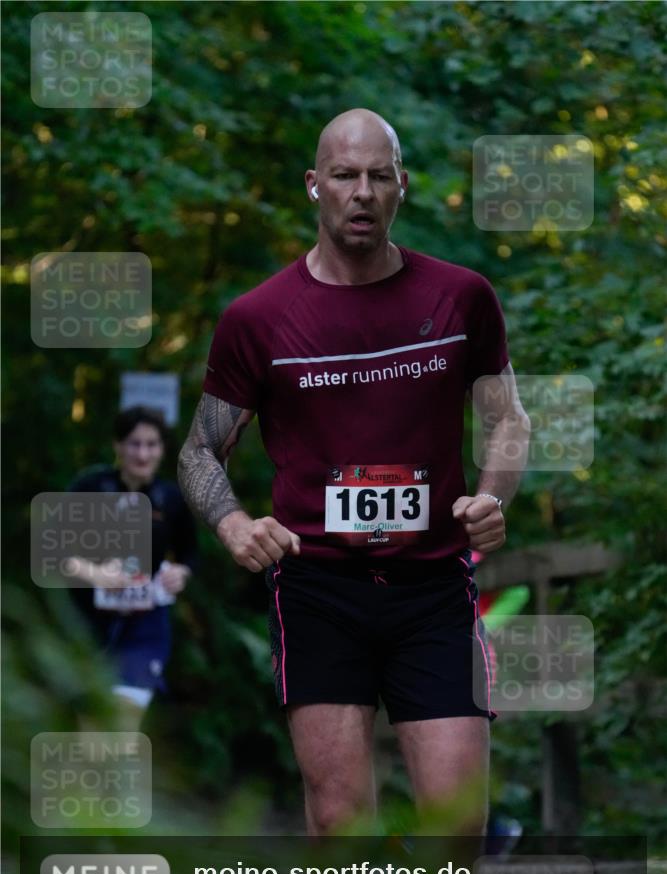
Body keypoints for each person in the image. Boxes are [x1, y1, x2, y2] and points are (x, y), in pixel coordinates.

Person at [178, 108, 530, 835]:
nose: (362, 192)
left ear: (402, 185)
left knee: (457, 823)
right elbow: (198, 450)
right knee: (340, 826)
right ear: (315, 184)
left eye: (378, 176)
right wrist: (233, 524)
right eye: (344, 176)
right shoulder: (258, 319)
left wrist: (492, 496)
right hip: (318, 590)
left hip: (433, 585)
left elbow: (507, 419)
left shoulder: (461, 297)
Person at [68, 406, 197, 729]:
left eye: (151, 444)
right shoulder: (91, 487)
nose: (142, 454)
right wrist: (96, 574)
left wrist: (180, 574)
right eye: (134, 444)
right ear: (118, 446)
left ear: (162, 449)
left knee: (123, 725)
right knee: (91, 729)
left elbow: (189, 554)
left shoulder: (170, 498)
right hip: (89, 626)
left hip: (145, 628)